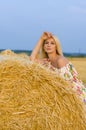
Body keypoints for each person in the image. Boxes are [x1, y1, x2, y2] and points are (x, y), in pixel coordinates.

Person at [30, 32, 86, 103]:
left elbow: (67, 84)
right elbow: (32, 59)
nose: (49, 45)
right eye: (46, 43)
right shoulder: (47, 61)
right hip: (65, 97)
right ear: (43, 47)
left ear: (56, 46)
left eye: (52, 43)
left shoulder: (60, 60)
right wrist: (41, 39)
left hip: (77, 96)